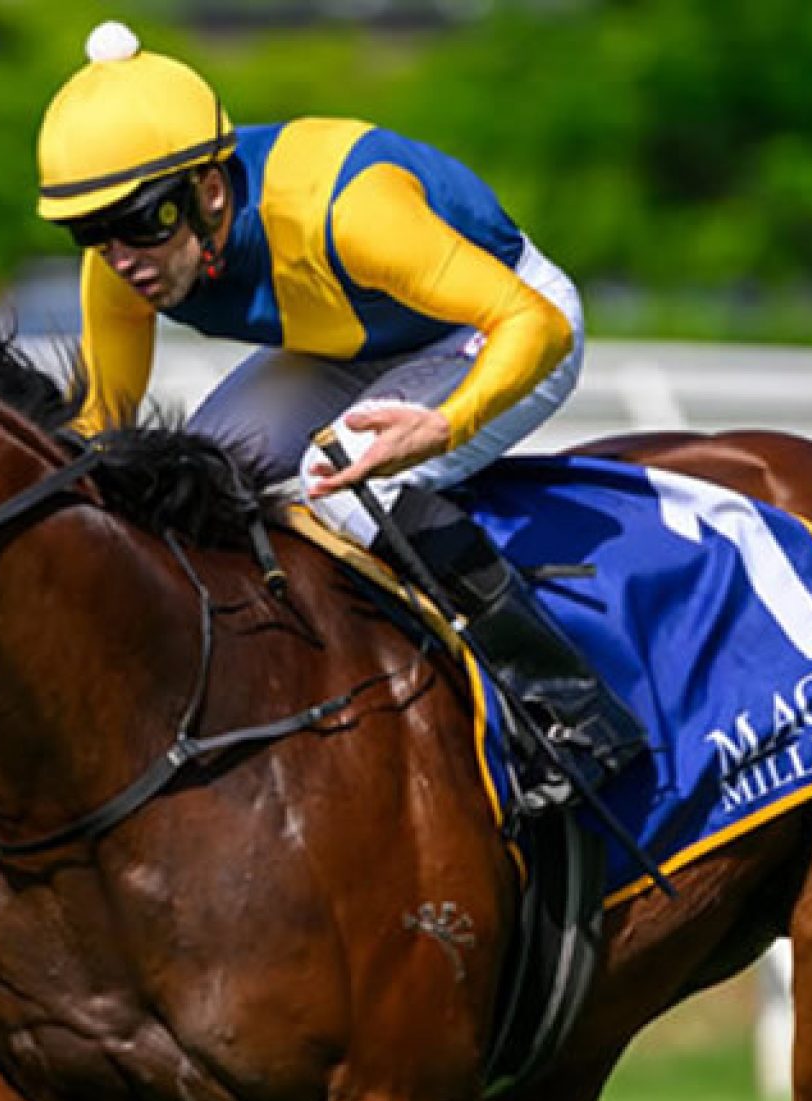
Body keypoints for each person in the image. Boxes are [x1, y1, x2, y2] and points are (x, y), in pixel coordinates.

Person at [35, 20, 643, 802]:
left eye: (141, 222)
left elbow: (537, 323)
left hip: (497, 326)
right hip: (346, 342)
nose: (122, 258)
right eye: (91, 233)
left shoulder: (353, 213)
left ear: (209, 190)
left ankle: (569, 713)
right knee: (195, 480)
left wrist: (444, 423)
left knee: (341, 476)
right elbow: (101, 431)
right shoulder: (123, 262)